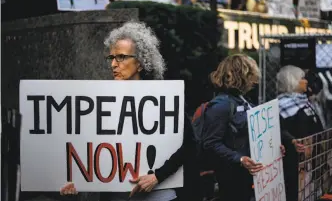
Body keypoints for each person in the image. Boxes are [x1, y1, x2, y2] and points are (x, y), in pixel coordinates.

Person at [60, 21, 201, 201]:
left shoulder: (163, 99)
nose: (113, 64)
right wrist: (77, 182)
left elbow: (189, 145)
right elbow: (92, 150)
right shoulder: (100, 102)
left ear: (141, 63)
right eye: (111, 58)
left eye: (121, 57)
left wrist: (157, 176)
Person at [202, 54, 285, 201]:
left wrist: (272, 150)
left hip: (247, 176)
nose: (254, 80)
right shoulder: (221, 105)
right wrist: (240, 159)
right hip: (231, 179)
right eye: (251, 75)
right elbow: (210, 143)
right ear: (241, 75)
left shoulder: (242, 100)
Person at [276, 65, 324, 201]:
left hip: (312, 160)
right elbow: (280, 131)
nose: (306, 81)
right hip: (293, 162)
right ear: (293, 81)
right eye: (302, 78)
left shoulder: (307, 102)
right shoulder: (281, 104)